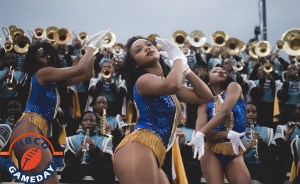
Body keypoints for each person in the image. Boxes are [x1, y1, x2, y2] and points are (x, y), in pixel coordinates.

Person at [9, 29, 111, 184]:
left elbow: (87, 74)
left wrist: (93, 50)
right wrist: (91, 46)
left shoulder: (52, 80)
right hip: (29, 131)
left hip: (29, 132)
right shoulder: (44, 72)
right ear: (34, 61)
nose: (47, 57)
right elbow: (79, 69)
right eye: (42, 56)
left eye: (48, 53)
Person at [113, 36, 213, 183]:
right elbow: (173, 84)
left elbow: (206, 97)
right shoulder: (143, 80)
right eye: (138, 49)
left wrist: (185, 69)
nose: (146, 48)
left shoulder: (166, 84)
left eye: (149, 44)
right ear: (135, 64)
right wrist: (177, 58)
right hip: (137, 147)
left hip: (154, 152)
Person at [188, 67, 251, 183]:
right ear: (207, 81)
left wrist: (202, 133)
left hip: (233, 149)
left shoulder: (233, 87)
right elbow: (200, 134)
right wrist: (226, 133)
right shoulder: (204, 102)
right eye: (215, 71)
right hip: (210, 150)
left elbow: (224, 112)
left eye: (223, 70)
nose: (221, 71)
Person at [61, 111, 114, 183]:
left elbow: (107, 162)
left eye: (92, 120)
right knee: (67, 171)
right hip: (78, 169)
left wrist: (95, 149)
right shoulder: (71, 139)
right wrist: (78, 153)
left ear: (97, 124)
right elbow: (67, 162)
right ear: (81, 123)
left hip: (97, 169)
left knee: (108, 171)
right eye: (85, 120)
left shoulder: (105, 140)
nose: (88, 123)